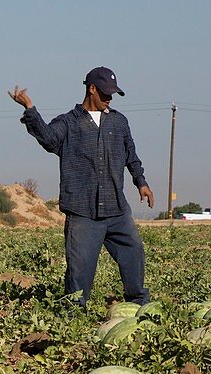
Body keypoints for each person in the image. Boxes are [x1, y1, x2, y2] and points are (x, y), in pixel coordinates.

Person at [9, 67, 154, 308]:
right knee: (79, 272)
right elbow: (48, 138)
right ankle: (72, 318)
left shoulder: (118, 122)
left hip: (116, 209)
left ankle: (138, 304)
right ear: (92, 89)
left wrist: (141, 182)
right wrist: (30, 109)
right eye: (106, 93)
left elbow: (131, 155)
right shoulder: (68, 122)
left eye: (113, 95)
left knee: (134, 253)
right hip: (82, 211)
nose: (110, 99)